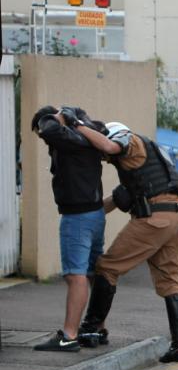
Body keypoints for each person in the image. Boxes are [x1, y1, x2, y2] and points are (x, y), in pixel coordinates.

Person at [75, 121, 178, 363]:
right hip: (177, 219)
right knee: (170, 280)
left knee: (107, 267)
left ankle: (91, 328)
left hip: (154, 220)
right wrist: (87, 214)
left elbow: (111, 145)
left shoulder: (132, 142)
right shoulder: (149, 161)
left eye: (107, 156)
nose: (107, 159)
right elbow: (118, 198)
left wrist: (77, 125)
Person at [31, 105, 106, 352]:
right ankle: (95, 328)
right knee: (93, 273)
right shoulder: (88, 135)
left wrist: (54, 118)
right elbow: (97, 125)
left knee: (76, 275)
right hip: (96, 214)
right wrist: (74, 117)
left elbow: (51, 131)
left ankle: (69, 335)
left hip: (77, 217)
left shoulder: (66, 138)